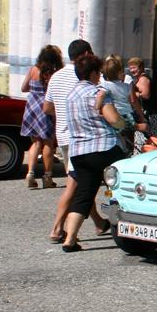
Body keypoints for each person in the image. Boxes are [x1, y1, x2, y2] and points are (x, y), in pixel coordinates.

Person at [60, 54, 127, 252]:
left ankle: (70, 239)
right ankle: (124, 229)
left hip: (79, 152)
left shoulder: (70, 95)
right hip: (104, 148)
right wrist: (126, 125)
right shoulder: (98, 93)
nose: (100, 76)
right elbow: (114, 119)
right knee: (121, 189)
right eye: (98, 72)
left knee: (84, 195)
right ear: (92, 73)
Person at [44, 39, 108, 243]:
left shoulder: (56, 76)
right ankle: (57, 229)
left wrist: (63, 117)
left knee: (83, 181)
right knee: (74, 186)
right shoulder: (83, 75)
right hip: (82, 137)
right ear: (87, 54)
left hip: (63, 136)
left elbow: (47, 108)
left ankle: (98, 222)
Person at [20, 44, 63, 189]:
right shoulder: (53, 73)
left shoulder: (33, 69)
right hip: (45, 107)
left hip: (31, 107)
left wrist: (35, 89)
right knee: (48, 143)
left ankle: (31, 173)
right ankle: (47, 177)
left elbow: (24, 88)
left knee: (36, 142)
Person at [99, 54, 147, 153]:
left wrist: (96, 108)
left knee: (117, 141)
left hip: (114, 116)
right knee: (130, 143)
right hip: (128, 115)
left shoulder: (104, 85)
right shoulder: (127, 85)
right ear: (120, 71)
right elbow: (133, 101)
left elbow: (100, 97)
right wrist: (141, 115)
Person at [127, 57, 157, 153]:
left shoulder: (143, 79)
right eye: (130, 68)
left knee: (153, 141)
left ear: (141, 67)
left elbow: (145, 95)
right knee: (150, 141)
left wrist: (133, 94)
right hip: (149, 114)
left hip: (150, 115)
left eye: (134, 68)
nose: (132, 70)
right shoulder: (139, 79)